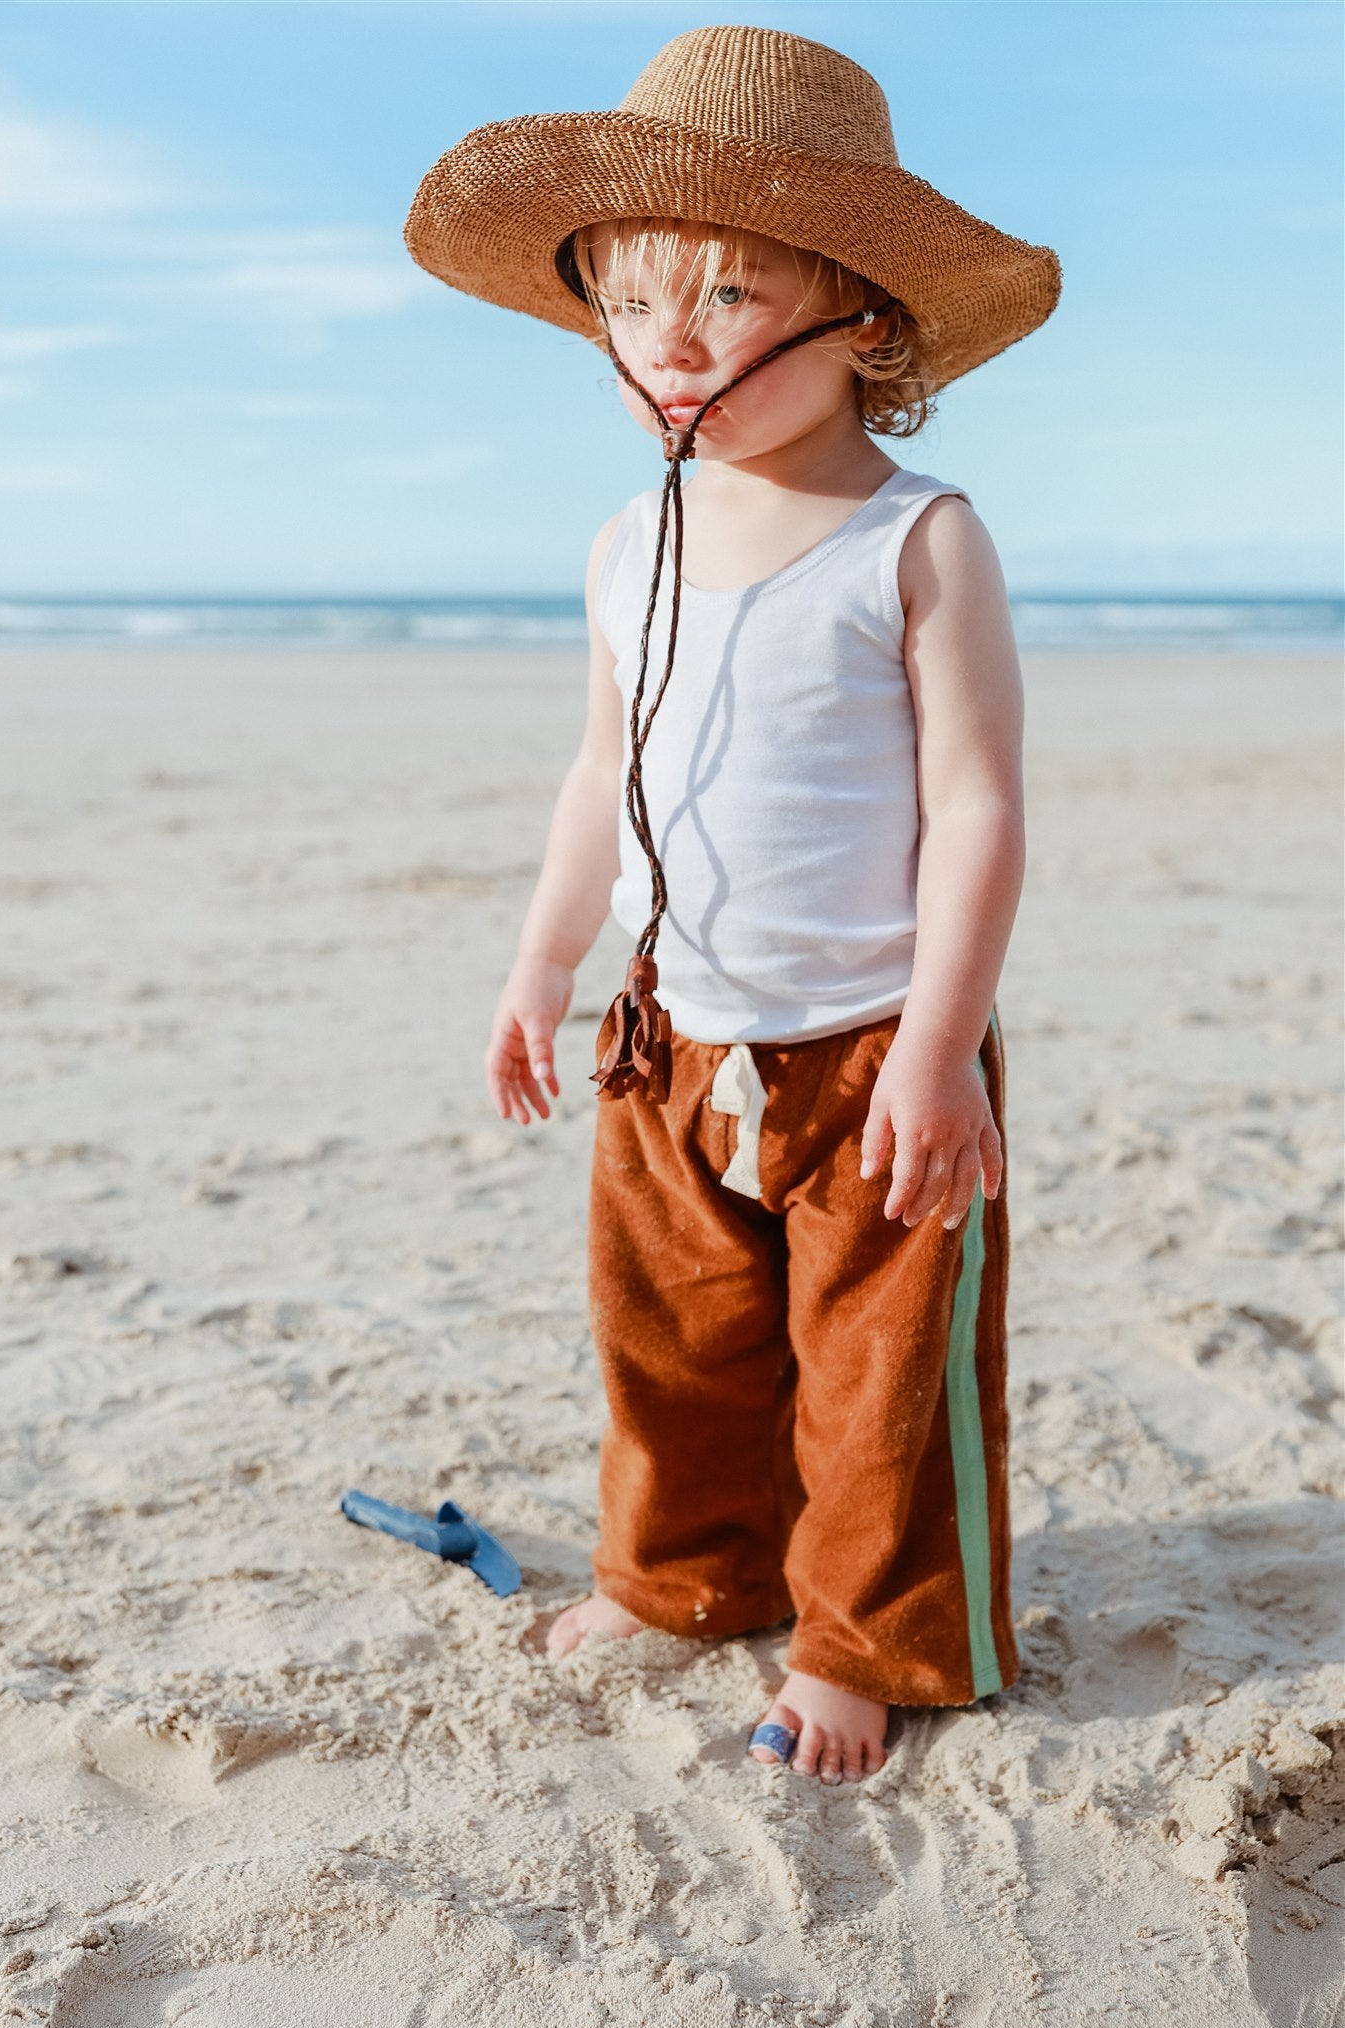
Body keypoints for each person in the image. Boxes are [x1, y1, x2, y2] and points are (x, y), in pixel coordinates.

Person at [405, 25, 1060, 1785]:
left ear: (862, 319)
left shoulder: (914, 539)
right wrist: (545, 963)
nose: (669, 343)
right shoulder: (633, 540)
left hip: (868, 1047)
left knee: (877, 1379)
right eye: (628, 305)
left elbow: (978, 806)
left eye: (726, 292)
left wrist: (938, 1048)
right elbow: (595, 769)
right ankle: (687, 1575)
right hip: (668, 1032)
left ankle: (865, 1640)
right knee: (674, 1348)